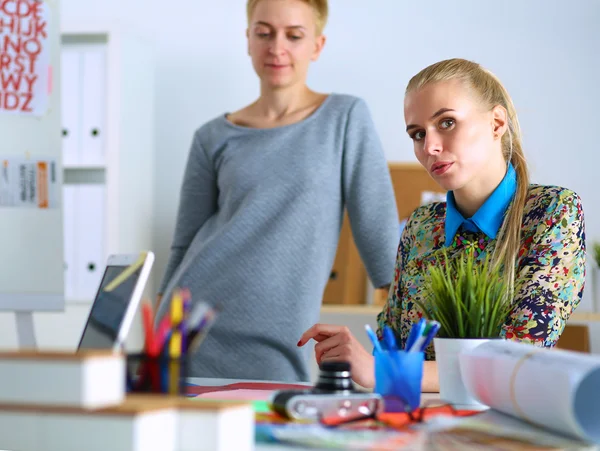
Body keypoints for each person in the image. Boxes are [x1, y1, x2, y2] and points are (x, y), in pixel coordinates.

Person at [298, 58, 587, 391]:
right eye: (417, 134)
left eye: (447, 123)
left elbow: (519, 357)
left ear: (496, 123)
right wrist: (360, 357)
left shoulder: (552, 213)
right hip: (416, 427)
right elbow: (393, 343)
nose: (429, 147)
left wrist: (383, 370)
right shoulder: (421, 226)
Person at [155, 0, 399, 382]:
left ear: (317, 45)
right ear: (248, 39)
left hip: (279, 337)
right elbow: (184, 244)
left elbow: (378, 230)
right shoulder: (211, 137)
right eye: (264, 33)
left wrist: (412, 345)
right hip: (187, 326)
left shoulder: (345, 117)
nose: (276, 47)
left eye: (294, 35)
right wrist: (157, 330)